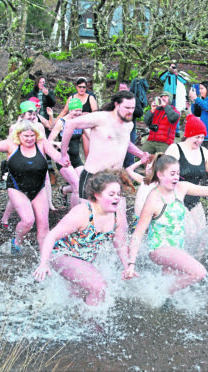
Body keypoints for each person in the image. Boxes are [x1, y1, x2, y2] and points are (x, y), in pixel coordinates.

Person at [123, 154, 208, 295]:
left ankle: (158, 300)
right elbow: (138, 234)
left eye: (178, 173)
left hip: (176, 248)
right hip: (160, 248)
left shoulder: (181, 188)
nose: (176, 177)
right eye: (172, 174)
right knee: (198, 272)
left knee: (169, 285)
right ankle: (160, 294)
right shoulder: (154, 199)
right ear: (160, 175)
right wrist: (131, 264)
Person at [60, 90, 148, 263]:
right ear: (117, 104)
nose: (131, 111)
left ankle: (124, 267)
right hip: (93, 178)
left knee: (121, 224)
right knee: (91, 224)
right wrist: (64, 155)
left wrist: (139, 153)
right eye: (127, 107)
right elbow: (70, 125)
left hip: (114, 180)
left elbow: (124, 141)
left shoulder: (128, 125)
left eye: (133, 108)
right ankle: (77, 258)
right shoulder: (100, 118)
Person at [0, 120, 70, 252]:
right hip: (17, 188)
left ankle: (45, 257)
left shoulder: (41, 143)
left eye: (32, 136)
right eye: (26, 136)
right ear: (18, 135)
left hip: (39, 188)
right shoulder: (11, 145)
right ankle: (17, 241)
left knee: (44, 226)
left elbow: (56, 156)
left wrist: (63, 160)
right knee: (28, 221)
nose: (30, 139)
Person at [33, 171, 131, 306]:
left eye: (118, 194)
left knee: (77, 297)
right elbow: (52, 235)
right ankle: (93, 325)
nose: (117, 198)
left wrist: (127, 267)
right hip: (63, 255)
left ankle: (70, 319)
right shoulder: (82, 213)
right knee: (99, 287)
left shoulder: (117, 216)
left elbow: (120, 244)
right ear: (97, 195)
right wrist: (44, 263)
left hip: (85, 260)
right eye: (111, 194)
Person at [164, 114, 208, 229]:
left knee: (202, 234)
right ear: (189, 135)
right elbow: (163, 174)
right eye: (197, 137)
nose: (200, 141)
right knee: (191, 232)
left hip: (194, 198)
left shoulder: (203, 151)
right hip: (176, 197)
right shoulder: (175, 149)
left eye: (202, 137)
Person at [48, 97, 86, 208]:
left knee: (85, 184)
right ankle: (74, 216)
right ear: (70, 110)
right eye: (75, 110)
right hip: (63, 158)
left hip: (76, 158)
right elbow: (49, 141)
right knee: (77, 187)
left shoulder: (80, 122)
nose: (78, 113)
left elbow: (90, 136)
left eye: (80, 110)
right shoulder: (62, 122)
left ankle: (64, 190)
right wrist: (58, 144)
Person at [57, 77, 98, 157]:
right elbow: (64, 111)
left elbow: (95, 113)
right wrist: (56, 122)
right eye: (80, 87)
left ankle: (88, 164)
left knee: (87, 147)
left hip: (86, 125)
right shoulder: (72, 97)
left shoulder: (90, 97)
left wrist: (85, 114)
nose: (82, 89)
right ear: (76, 87)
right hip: (74, 125)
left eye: (84, 87)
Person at [119, 80, 144, 167]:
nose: (122, 90)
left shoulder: (133, 98)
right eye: (120, 88)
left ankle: (130, 175)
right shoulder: (116, 99)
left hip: (130, 129)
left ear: (128, 89)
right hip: (117, 129)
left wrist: (129, 110)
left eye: (124, 88)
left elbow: (140, 112)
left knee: (129, 154)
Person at [159, 62, 187, 137]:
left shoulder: (177, 75)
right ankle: (166, 128)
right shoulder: (167, 74)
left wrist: (176, 74)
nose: (173, 69)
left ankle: (176, 130)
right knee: (166, 112)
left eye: (174, 67)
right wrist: (168, 71)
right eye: (172, 67)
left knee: (176, 112)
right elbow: (161, 78)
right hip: (167, 96)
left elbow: (184, 81)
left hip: (176, 96)